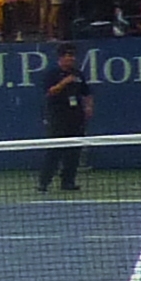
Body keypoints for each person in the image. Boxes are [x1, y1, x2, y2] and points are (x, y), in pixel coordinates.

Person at [38, 46, 91, 192]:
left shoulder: (78, 74)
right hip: (57, 118)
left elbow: (86, 93)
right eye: (68, 56)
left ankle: (68, 182)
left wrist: (88, 107)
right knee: (54, 151)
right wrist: (64, 82)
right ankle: (44, 182)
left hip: (76, 117)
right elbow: (50, 92)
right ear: (61, 58)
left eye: (73, 56)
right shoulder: (52, 74)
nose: (71, 59)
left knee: (74, 152)